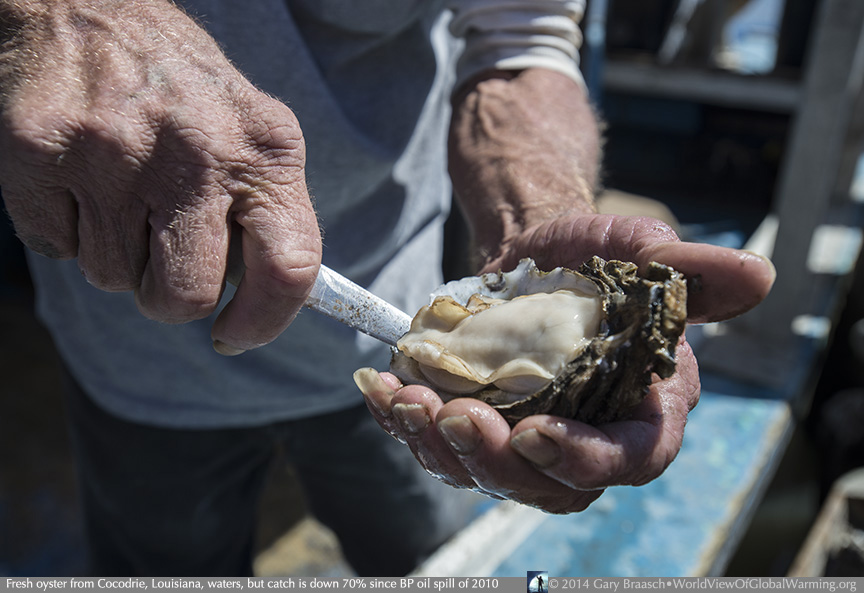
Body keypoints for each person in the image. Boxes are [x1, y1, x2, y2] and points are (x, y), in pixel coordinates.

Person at [0, 0, 776, 578]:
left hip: (397, 353)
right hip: (135, 348)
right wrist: (44, 19)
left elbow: (519, 46)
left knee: (431, 559)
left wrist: (539, 222)